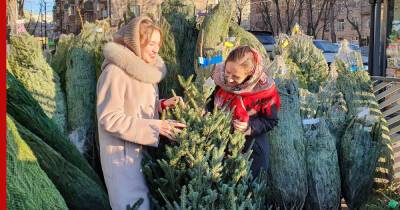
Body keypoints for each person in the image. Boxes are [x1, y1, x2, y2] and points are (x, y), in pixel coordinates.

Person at [96, 16, 185, 210]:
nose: (156, 49)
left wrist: (161, 105)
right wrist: (155, 126)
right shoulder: (114, 72)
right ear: (137, 42)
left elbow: (136, 105)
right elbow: (109, 119)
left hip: (143, 155)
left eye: (158, 44)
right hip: (122, 159)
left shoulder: (146, 72)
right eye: (151, 43)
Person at [211, 45, 281, 177]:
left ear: (250, 75)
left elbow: (271, 121)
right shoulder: (217, 76)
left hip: (251, 150)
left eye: (236, 77)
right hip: (219, 147)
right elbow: (208, 101)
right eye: (227, 72)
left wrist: (249, 127)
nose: (229, 79)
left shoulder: (264, 90)